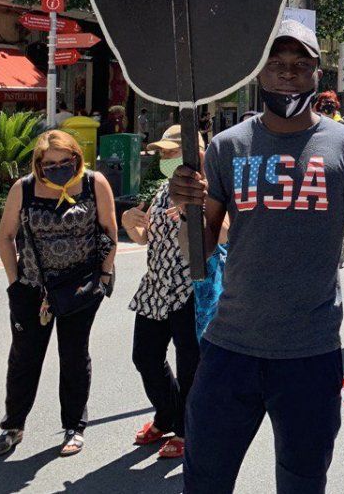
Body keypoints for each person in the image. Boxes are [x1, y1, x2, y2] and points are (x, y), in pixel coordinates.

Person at [170, 19, 344, 494]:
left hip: (310, 352)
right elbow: (200, 254)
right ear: (259, 74)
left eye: (301, 64)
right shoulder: (227, 148)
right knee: (204, 480)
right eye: (277, 63)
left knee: (303, 483)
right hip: (229, 349)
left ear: (317, 74)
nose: (288, 73)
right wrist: (185, 207)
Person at [0, 130, 117, 459]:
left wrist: (103, 274)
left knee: (74, 355)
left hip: (80, 287)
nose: (57, 167)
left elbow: (110, 232)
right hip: (33, 290)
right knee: (24, 358)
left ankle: (74, 426)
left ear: (76, 157)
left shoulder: (93, 183)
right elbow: (6, 237)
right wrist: (15, 282)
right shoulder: (25, 188)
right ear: (39, 164)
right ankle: (12, 427)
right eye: (49, 163)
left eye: (64, 161)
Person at [120, 124, 204, 461]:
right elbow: (146, 238)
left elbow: (224, 235)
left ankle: (186, 428)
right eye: (164, 154)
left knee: (190, 365)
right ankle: (167, 413)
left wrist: (189, 212)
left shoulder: (208, 188)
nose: (166, 159)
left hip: (190, 290)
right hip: (155, 287)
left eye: (173, 152)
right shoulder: (160, 192)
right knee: (145, 356)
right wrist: (130, 223)